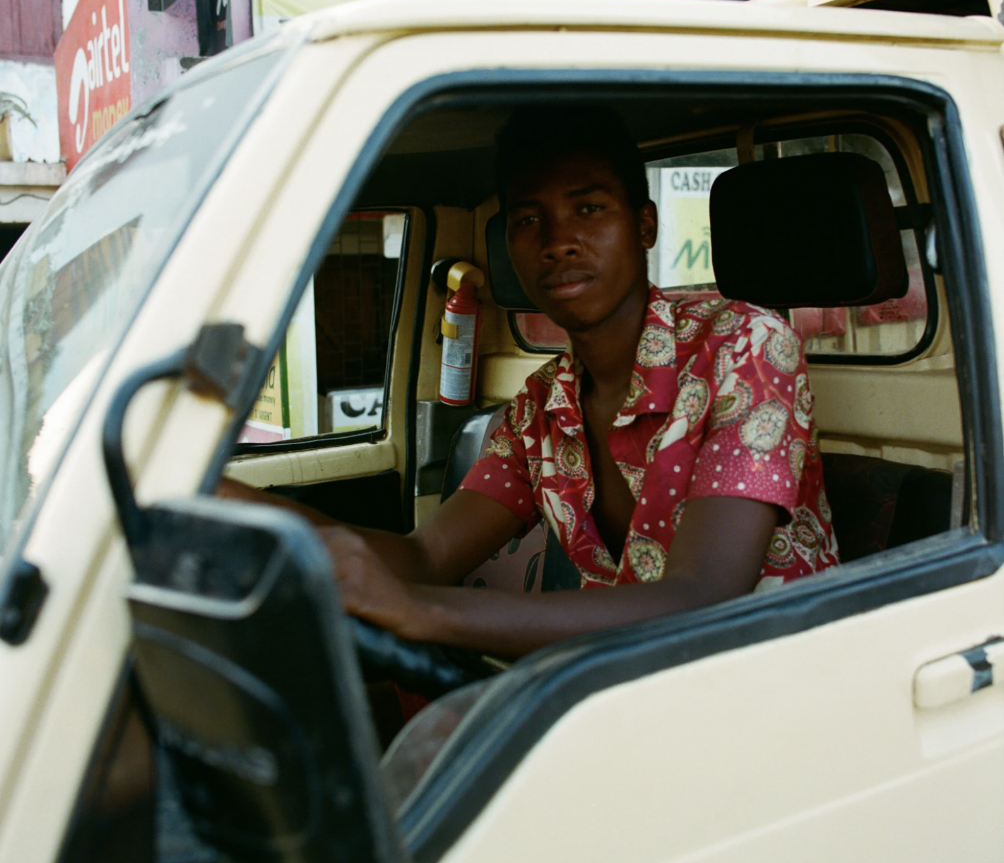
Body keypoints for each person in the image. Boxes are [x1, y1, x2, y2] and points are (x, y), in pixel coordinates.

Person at [222, 106, 839, 658]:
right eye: (527, 220)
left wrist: (423, 613)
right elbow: (427, 557)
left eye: (589, 208)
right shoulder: (541, 409)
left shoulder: (746, 346)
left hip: (777, 690)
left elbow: (703, 596)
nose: (558, 242)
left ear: (644, 226)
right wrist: (238, 507)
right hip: (622, 697)